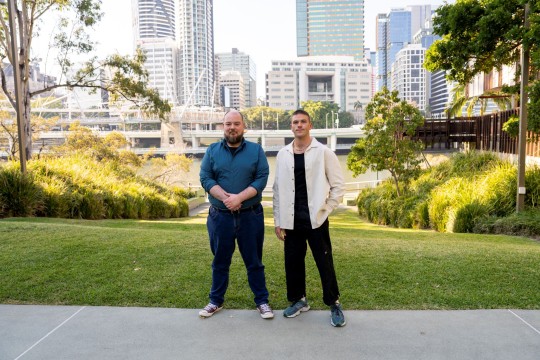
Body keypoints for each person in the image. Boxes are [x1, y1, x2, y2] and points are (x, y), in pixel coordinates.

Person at [272, 109, 346, 327]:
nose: (299, 125)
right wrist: (278, 220)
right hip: (290, 219)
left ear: (310, 125)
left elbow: (338, 186)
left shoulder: (323, 152)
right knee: (292, 263)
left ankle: (334, 303)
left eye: (303, 121)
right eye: (295, 122)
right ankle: (299, 300)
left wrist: (327, 208)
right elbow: (277, 189)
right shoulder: (283, 154)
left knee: (324, 262)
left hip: (316, 219)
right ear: (291, 126)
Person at [199, 109, 274, 319]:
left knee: (254, 261)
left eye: (236, 124)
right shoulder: (212, 151)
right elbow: (205, 178)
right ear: (223, 127)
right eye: (228, 124)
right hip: (219, 217)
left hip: (250, 217)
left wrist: (239, 198)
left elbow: (261, 179)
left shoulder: (256, 150)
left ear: (243, 127)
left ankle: (262, 301)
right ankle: (215, 301)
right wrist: (226, 199)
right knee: (220, 261)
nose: (232, 128)